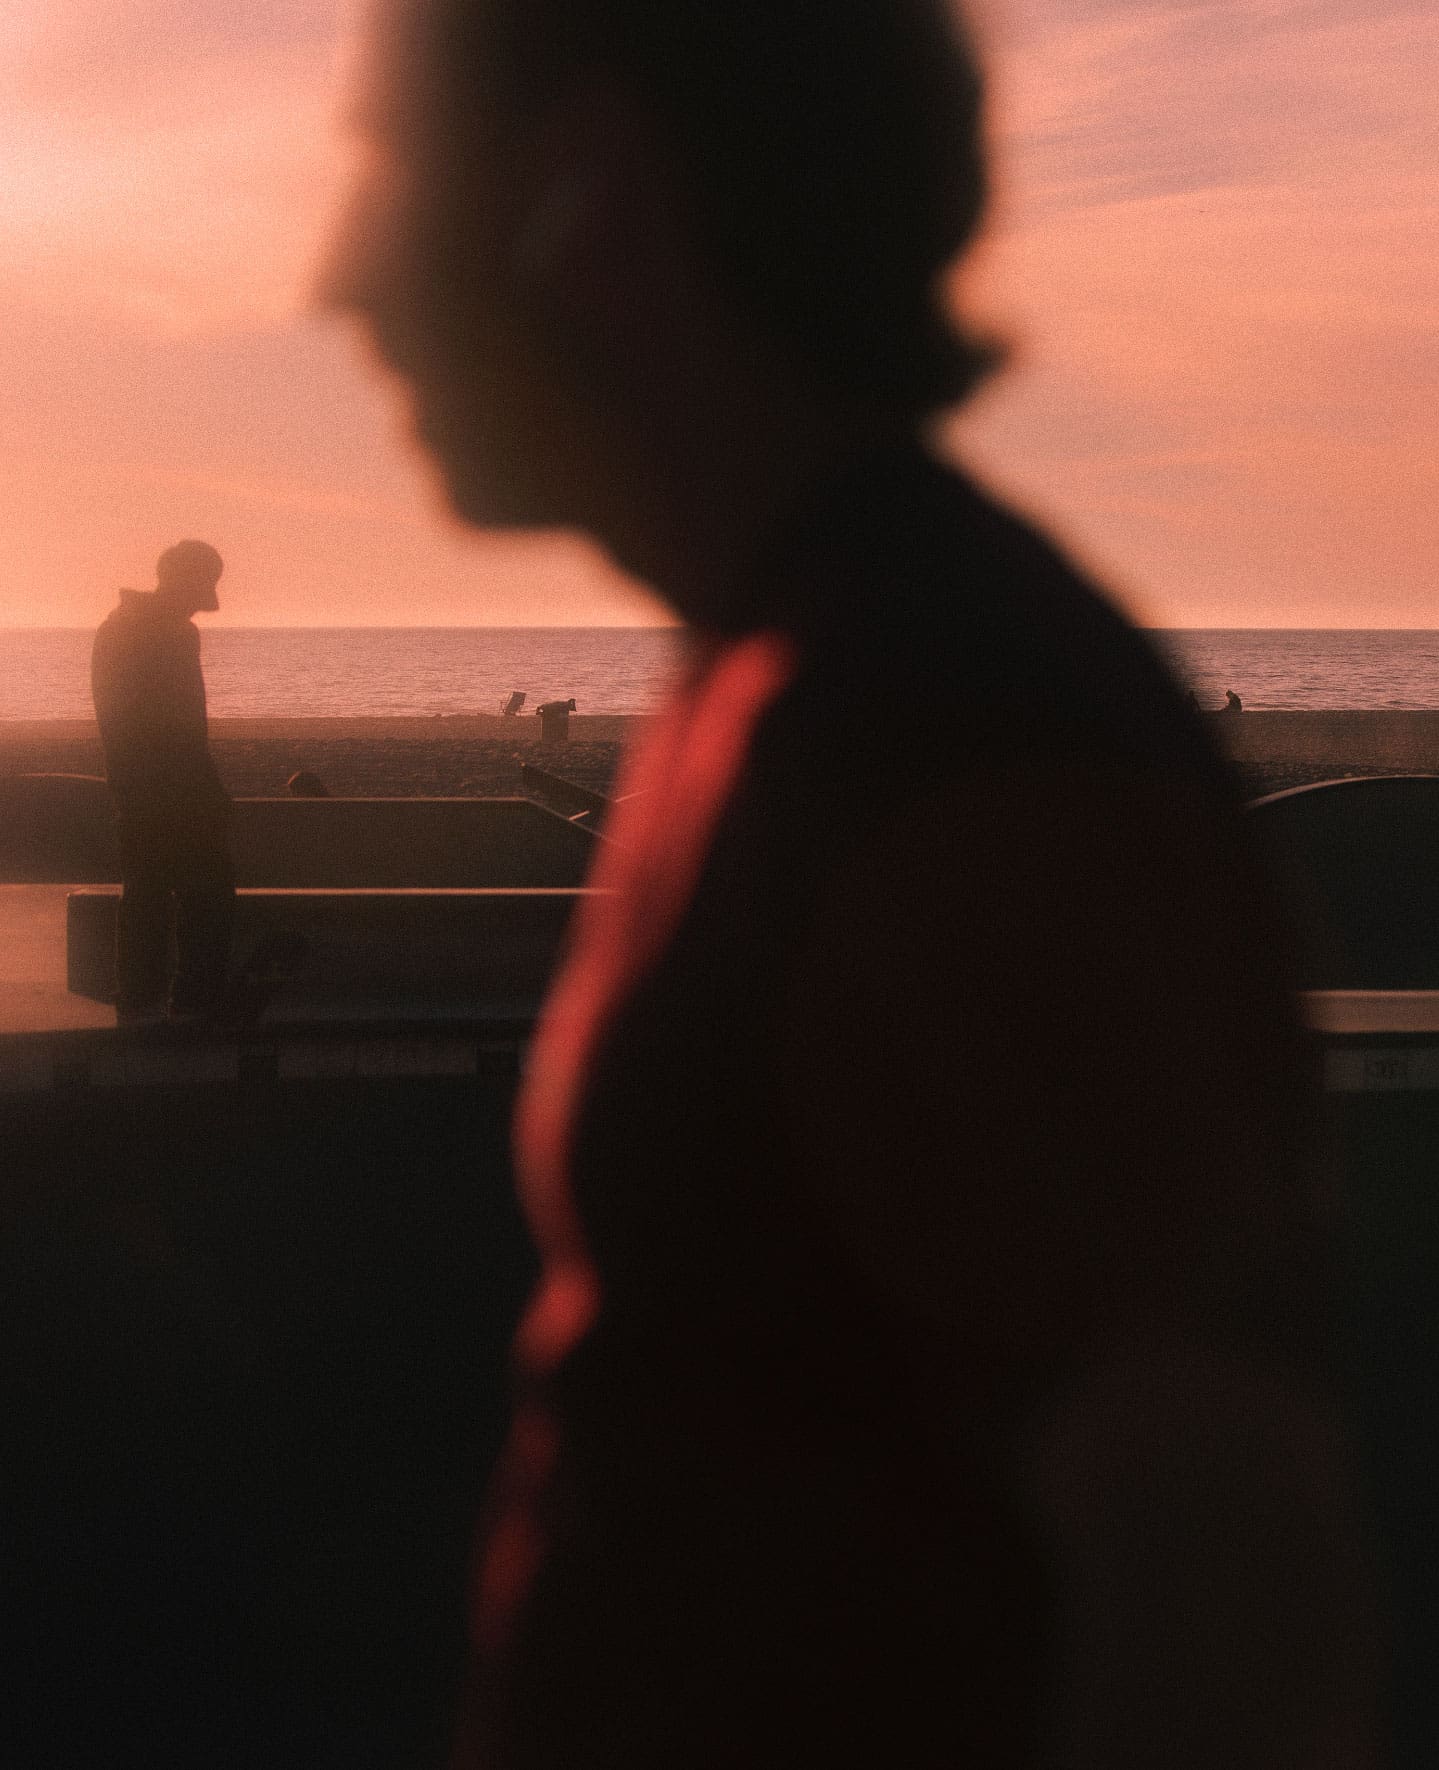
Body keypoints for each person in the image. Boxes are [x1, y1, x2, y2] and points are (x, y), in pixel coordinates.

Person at [328, 3, 1377, 1764]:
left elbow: (1215, 1566)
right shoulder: (779, 673)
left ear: (589, 192)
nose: (339, 280)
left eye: (393, 174)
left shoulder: (938, 732)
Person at [91, 540, 234, 1022]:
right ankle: (190, 994)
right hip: (166, 786)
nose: (205, 597)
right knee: (199, 890)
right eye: (204, 584)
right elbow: (176, 725)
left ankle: (142, 996)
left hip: (142, 784)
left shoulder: (125, 628)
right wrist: (202, 788)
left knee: (150, 891)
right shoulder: (162, 633)